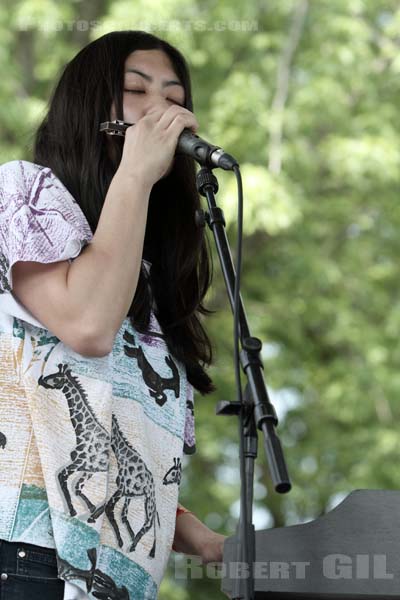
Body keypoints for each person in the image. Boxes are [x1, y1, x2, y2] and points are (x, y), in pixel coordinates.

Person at [0, 30, 226, 600]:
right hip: (24, 556)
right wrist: (135, 174)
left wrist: (204, 540)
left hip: (112, 580)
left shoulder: (141, 275)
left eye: (175, 98)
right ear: (88, 107)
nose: (163, 109)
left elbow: (110, 452)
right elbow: (88, 326)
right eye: (135, 89)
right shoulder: (22, 191)